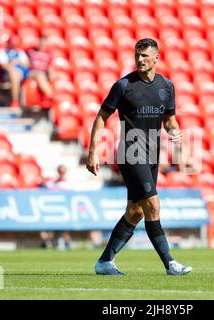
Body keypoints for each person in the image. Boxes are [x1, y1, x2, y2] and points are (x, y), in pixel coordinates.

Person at [86, 38, 192, 276]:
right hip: (130, 153)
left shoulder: (167, 87)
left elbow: (170, 121)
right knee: (153, 206)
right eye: (137, 55)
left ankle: (104, 262)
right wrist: (93, 150)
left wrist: (177, 138)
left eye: (145, 56)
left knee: (136, 212)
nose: (140, 60)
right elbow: (102, 117)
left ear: (157, 57)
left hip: (153, 153)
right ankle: (170, 264)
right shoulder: (123, 86)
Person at [0, 35, 30, 108]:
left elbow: (27, 65)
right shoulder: (2, 52)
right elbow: (4, 66)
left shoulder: (20, 52)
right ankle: (15, 101)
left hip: (23, 72)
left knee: (38, 75)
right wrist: (12, 63)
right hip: (8, 74)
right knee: (14, 74)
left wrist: (19, 62)